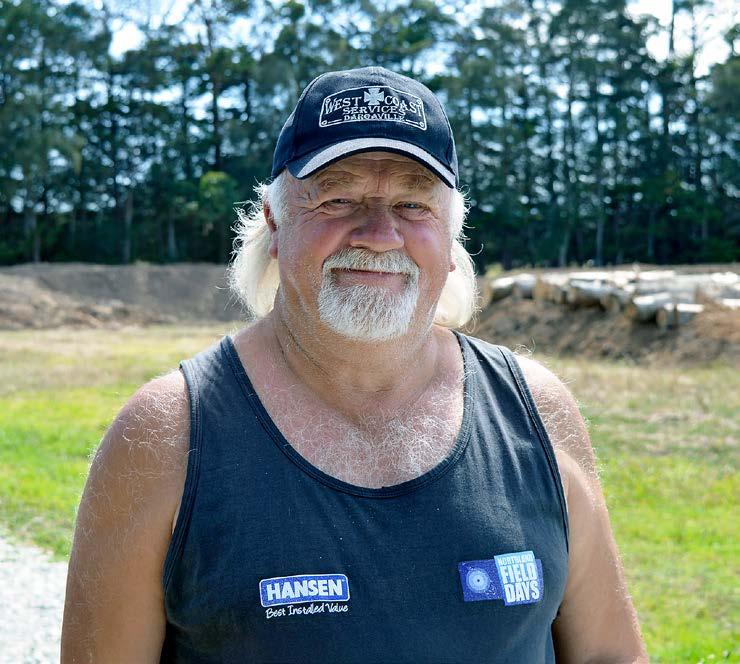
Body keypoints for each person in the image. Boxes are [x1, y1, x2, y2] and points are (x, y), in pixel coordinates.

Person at [61, 66, 648, 663]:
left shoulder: (537, 411)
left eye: (413, 203)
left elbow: (609, 654)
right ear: (274, 220)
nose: (379, 234)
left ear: (451, 234)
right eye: (338, 198)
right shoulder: (164, 437)